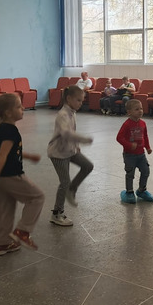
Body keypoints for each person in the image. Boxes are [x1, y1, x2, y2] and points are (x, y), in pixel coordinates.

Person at [0, 93, 45, 256]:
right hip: (10, 175)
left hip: (0, 177)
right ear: (8, 112)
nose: (23, 108)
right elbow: (2, 156)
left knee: (6, 211)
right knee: (37, 197)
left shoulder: (4, 128)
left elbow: (9, 152)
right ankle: (23, 231)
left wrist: (28, 156)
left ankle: (2, 244)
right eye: (19, 106)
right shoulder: (10, 130)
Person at [47, 85, 94, 227]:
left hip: (70, 150)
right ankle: (57, 214)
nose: (81, 103)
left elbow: (71, 131)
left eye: (82, 101)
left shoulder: (72, 113)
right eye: (78, 100)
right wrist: (83, 139)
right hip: (58, 153)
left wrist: (76, 145)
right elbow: (66, 133)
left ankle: (72, 190)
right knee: (64, 182)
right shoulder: (63, 114)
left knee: (88, 166)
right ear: (68, 99)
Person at [116, 99, 153, 204]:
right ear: (129, 112)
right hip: (129, 155)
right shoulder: (127, 124)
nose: (140, 111)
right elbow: (119, 138)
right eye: (137, 109)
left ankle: (142, 190)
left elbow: (145, 136)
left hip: (141, 155)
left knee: (146, 171)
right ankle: (129, 192)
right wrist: (129, 145)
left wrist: (148, 147)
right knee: (130, 174)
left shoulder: (143, 123)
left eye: (141, 108)